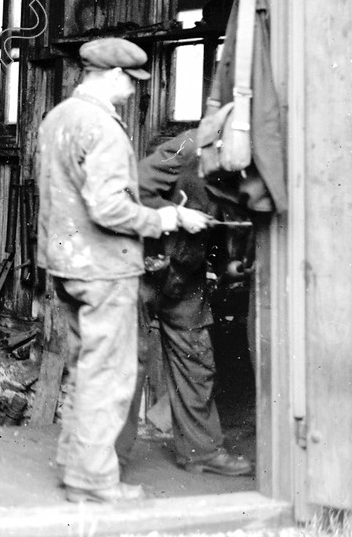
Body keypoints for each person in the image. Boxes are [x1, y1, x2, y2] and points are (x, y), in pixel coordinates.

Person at [37, 37, 212, 504]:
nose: (133, 91)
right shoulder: (104, 128)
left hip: (65, 262)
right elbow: (108, 207)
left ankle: (76, 466)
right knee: (109, 374)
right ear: (112, 76)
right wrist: (165, 218)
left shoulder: (58, 118)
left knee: (84, 367)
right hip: (103, 267)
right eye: (131, 82)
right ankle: (93, 480)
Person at [125, 129, 253, 476]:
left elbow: (227, 213)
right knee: (125, 364)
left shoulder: (246, 165)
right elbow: (131, 187)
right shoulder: (186, 148)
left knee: (197, 361)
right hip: (143, 266)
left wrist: (230, 259)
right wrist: (176, 214)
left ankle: (201, 451)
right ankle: (107, 461)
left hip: (186, 273)